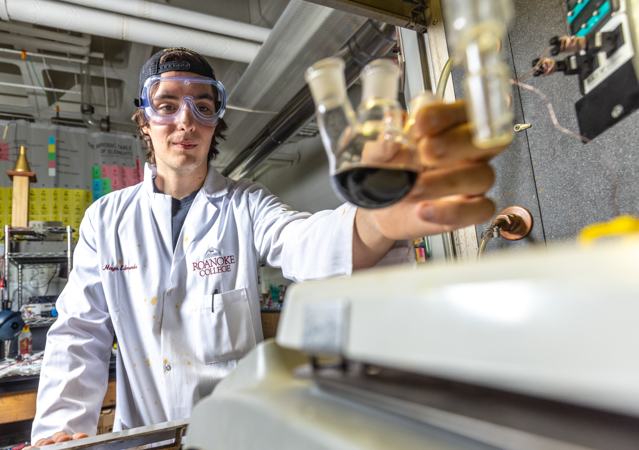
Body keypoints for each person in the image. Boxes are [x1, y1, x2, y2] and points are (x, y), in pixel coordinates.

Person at [30, 47, 504, 446]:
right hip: (146, 437)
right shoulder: (106, 219)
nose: (185, 121)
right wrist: (61, 431)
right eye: (167, 104)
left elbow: (303, 242)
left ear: (216, 120)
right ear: (144, 122)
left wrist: (379, 218)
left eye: (202, 105)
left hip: (237, 437)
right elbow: (79, 333)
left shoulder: (246, 204)